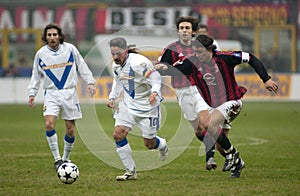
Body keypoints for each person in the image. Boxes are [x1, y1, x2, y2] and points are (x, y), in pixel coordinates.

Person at [173, 34, 278, 178]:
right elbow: (173, 70)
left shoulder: (225, 58)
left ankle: (233, 155)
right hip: (214, 106)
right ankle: (237, 163)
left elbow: (250, 58)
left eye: (200, 52)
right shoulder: (193, 62)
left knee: (208, 123)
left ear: (209, 49)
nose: (198, 55)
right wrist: (159, 69)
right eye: (195, 52)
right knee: (220, 146)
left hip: (232, 101)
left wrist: (265, 79)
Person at [27, 23, 96, 171]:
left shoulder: (70, 49)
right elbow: (36, 75)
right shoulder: (41, 54)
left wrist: (90, 82)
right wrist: (32, 93)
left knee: (70, 130)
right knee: (49, 124)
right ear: (45, 37)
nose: (52, 38)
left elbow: (81, 66)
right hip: (51, 93)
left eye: (54, 34)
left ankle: (66, 158)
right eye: (49, 35)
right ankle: (57, 159)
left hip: (69, 93)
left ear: (59, 36)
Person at [155, 16, 216, 170]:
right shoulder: (171, 49)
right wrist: (162, 68)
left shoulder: (199, 47)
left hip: (199, 89)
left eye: (187, 28)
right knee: (198, 130)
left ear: (193, 31)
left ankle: (210, 157)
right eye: (181, 28)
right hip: (181, 92)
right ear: (178, 31)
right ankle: (212, 146)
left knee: (205, 123)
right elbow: (161, 68)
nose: (184, 31)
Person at [107, 37, 168, 181]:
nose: (115, 57)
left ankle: (162, 144)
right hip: (128, 105)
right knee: (118, 134)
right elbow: (118, 81)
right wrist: (112, 97)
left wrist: (154, 92)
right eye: (113, 54)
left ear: (126, 51)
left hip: (148, 108)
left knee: (149, 144)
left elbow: (155, 78)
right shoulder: (116, 65)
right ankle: (130, 171)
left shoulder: (139, 63)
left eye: (118, 53)